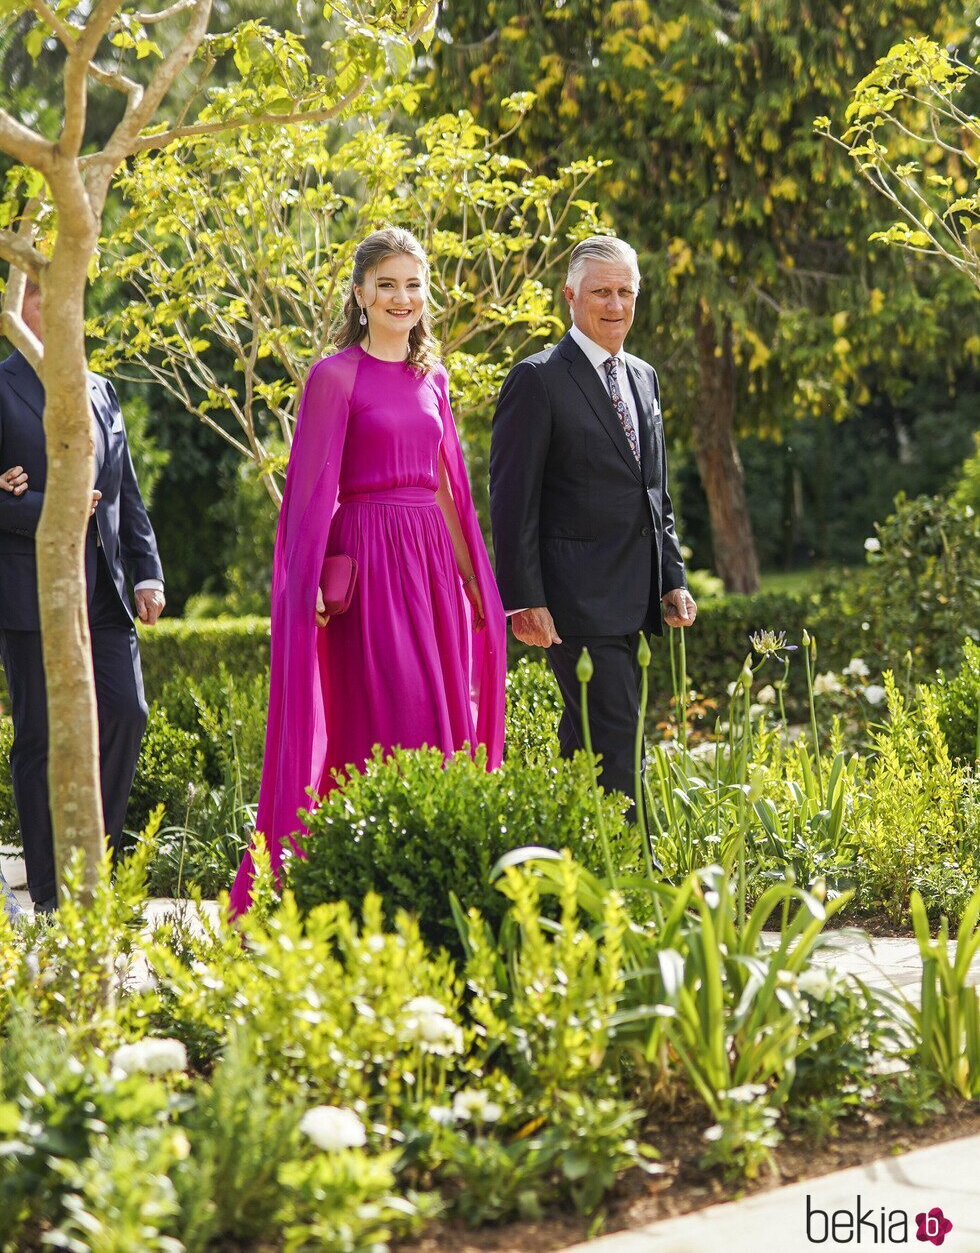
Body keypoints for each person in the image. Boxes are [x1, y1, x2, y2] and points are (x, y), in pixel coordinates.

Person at [230, 227, 506, 914]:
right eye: (386, 283)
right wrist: (310, 580)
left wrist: (474, 581)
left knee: (441, 721)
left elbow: (447, 489)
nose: (401, 297)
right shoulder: (334, 376)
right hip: (372, 566)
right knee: (387, 716)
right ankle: (355, 888)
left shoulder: (433, 378)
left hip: (432, 569)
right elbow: (309, 493)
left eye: (413, 284)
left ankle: (433, 890)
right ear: (359, 294)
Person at [489, 235, 697, 807]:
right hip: (574, 601)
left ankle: (564, 866)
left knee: (587, 746)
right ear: (570, 296)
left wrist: (672, 577)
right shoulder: (537, 379)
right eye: (601, 292)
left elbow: (654, 489)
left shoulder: (645, 377)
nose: (615, 305)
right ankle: (639, 885)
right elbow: (511, 500)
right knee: (620, 737)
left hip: (634, 596)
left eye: (625, 292)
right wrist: (523, 599)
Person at [0, 279, 165, 913]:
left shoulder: (100, 388)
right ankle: (49, 894)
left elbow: (127, 492)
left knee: (128, 714)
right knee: (40, 736)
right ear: (18, 306)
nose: (66, 299)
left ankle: (91, 873)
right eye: (44, 289)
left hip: (104, 594)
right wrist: (50, 507)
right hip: (30, 594)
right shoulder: (2, 385)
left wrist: (146, 572)